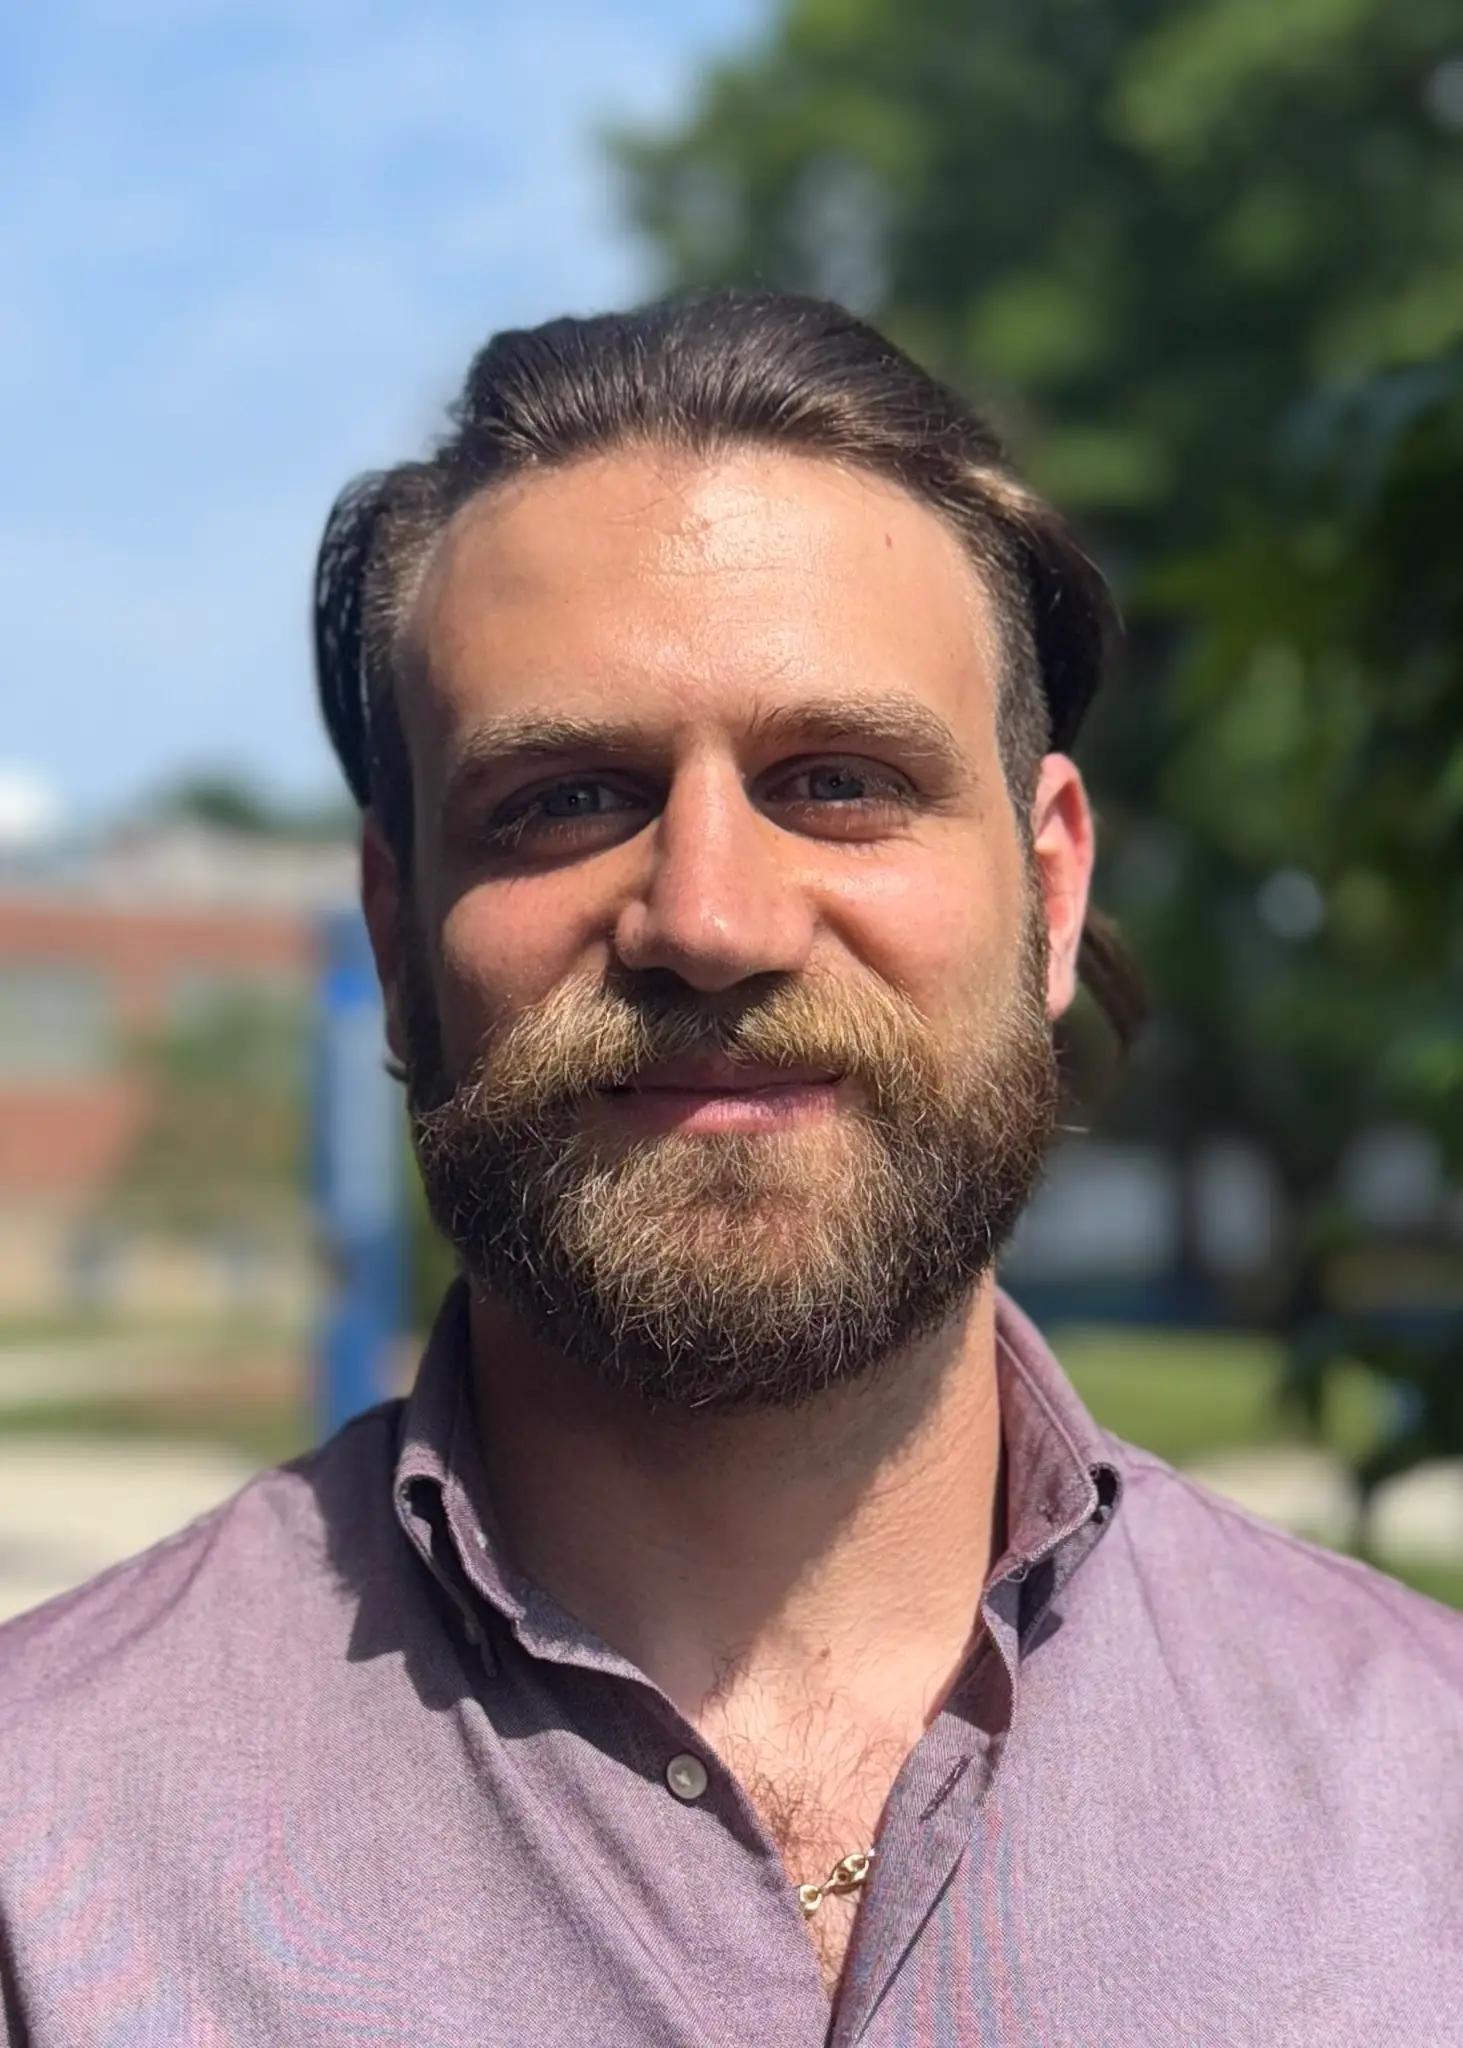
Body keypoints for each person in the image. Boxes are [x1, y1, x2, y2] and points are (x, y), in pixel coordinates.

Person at [1, 294, 1459, 2047]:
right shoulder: (43, 1853)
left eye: (837, 780)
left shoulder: (1426, 1793)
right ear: (394, 935)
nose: (707, 919)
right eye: (563, 799)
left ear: (1052, 892)